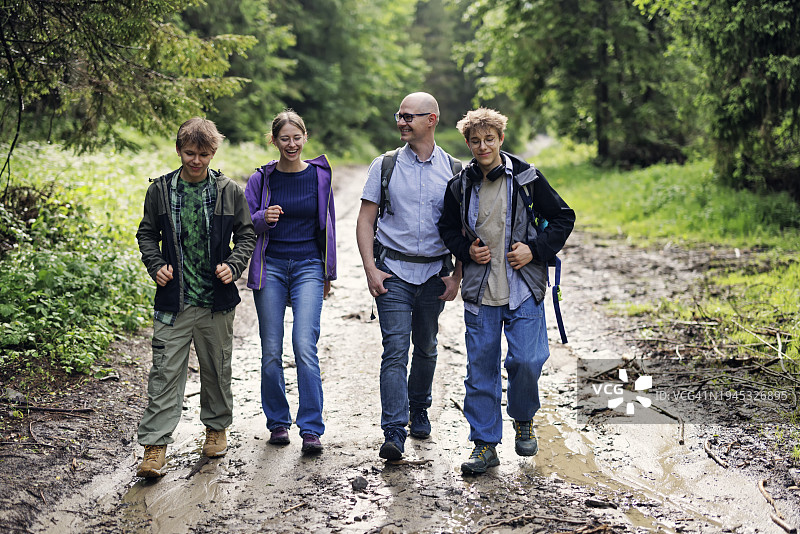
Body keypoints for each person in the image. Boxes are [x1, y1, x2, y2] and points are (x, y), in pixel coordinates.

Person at [437, 108, 575, 475]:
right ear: (468, 144)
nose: (483, 146)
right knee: (480, 369)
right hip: (480, 291)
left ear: (500, 139)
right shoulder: (459, 185)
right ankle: (484, 445)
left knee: (527, 360)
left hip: (524, 286)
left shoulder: (528, 178)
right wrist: (466, 251)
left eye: (489, 139)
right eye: (475, 141)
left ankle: (523, 417)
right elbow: (446, 228)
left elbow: (564, 217)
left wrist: (535, 250)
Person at [135, 117, 256, 478]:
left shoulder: (228, 191)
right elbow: (146, 234)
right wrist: (155, 264)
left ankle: (216, 428)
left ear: (213, 152)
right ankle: (155, 447)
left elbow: (246, 235)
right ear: (178, 150)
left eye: (204, 154)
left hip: (215, 302)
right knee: (164, 373)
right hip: (174, 301)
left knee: (217, 369)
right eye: (190, 153)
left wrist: (233, 266)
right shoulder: (160, 190)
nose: (196, 160)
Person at [356, 92, 462, 460]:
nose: (401, 122)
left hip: (435, 273)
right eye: (399, 116)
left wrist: (458, 276)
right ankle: (393, 431)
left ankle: (419, 408)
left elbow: (466, 228)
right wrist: (370, 269)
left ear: (431, 120)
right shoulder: (384, 165)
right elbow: (365, 220)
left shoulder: (455, 171)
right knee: (395, 350)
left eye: (409, 116)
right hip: (393, 273)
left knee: (427, 346)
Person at [244, 110, 336, 455]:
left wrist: (328, 273)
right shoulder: (261, 179)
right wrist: (262, 218)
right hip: (271, 267)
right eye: (285, 138)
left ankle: (311, 428)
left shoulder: (319, 176)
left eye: (297, 137)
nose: (292, 144)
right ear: (274, 141)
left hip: (309, 265)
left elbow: (329, 226)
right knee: (271, 349)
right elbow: (244, 224)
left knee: (304, 345)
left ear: (305, 137)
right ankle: (278, 423)